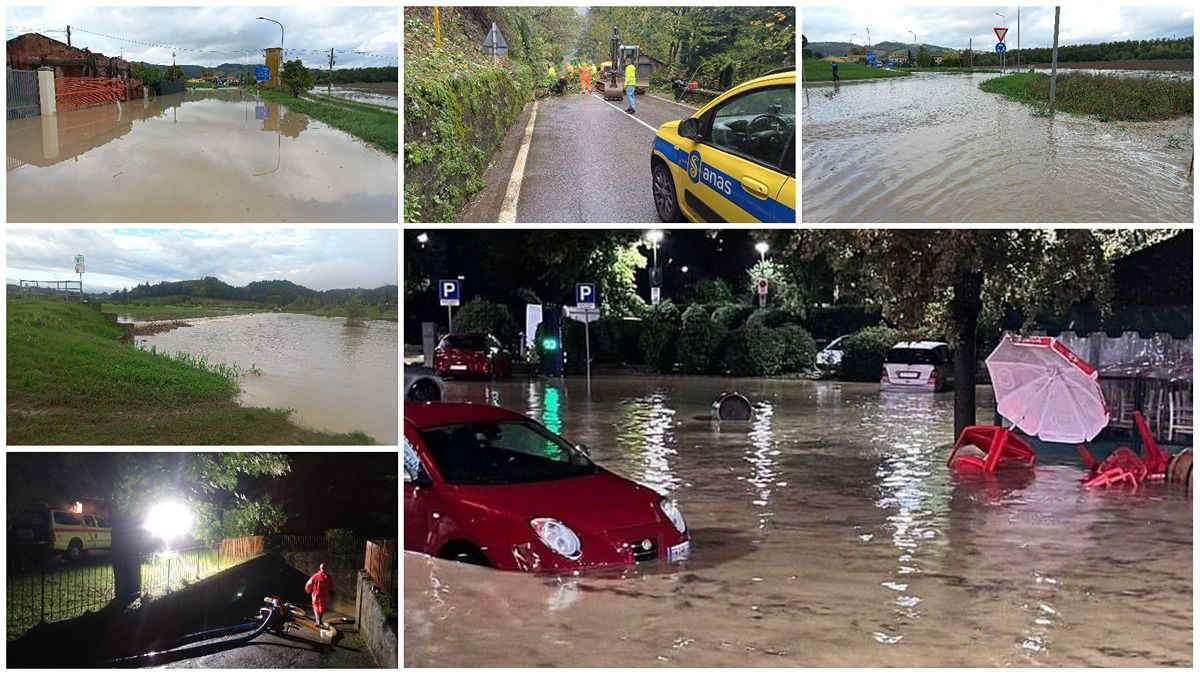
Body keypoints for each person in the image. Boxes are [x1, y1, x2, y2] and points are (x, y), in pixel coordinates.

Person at [304, 562, 334, 628]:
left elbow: (308, 584)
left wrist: (307, 590)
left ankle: (318, 621)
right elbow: (331, 587)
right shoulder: (329, 577)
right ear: (326, 568)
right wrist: (331, 593)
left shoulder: (315, 576)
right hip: (324, 596)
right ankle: (319, 621)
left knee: (316, 608)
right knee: (321, 609)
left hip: (315, 596)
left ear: (320, 568)